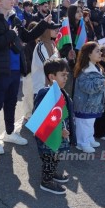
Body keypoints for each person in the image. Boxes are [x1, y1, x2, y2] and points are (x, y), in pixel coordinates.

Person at [0, 0, 50, 154]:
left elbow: (27, 36)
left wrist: (43, 24)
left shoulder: (14, 19)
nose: (13, 2)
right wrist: (11, 35)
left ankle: (10, 132)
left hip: (15, 69)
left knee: (11, 103)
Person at [34, 58, 76, 195]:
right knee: (49, 158)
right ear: (52, 76)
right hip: (49, 137)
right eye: (62, 75)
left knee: (56, 157)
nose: (66, 78)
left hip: (61, 134)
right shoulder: (45, 93)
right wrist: (60, 130)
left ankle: (52, 173)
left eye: (67, 75)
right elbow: (45, 118)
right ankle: (46, 181)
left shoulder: (61, 91)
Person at [73, 42, 105, 153]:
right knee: (84, 124)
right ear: (89, 54)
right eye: (97, 51)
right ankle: (82, 143)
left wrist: (103, 83)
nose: (100, 53)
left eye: (100, 51)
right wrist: (101, 83)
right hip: (84, 104)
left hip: (92, 104)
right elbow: (87, 87)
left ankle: (89, 139)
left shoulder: (97, 67)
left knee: (90, 122)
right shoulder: (85, 70)